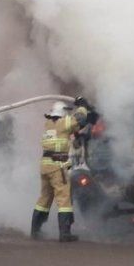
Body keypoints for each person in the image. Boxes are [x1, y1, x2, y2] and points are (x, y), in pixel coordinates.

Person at [31, 96, 97, 242]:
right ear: (61, 113)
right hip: (57, 166)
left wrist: (83, 125)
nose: (68, 115)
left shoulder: (49, 124)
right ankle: (65, 233)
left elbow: (75, 127)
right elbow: (79, 118)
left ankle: (35, 230)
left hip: (45, 165)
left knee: (44, 199)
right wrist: (82, 105)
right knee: (64, 199)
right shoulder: (62, 123)